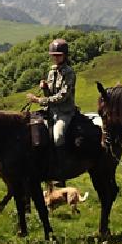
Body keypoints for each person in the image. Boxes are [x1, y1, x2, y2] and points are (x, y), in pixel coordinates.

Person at [26, 38, 76, 175]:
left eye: (58, 55)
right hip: (50, 111)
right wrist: (45, 88)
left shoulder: (69, 73)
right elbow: (50, 94)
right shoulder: (51, 72)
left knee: (58, 137)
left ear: (65, 56)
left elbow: (62, 96)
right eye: (53, 55)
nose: (55, 58)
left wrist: (38, 100)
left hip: (64, 112)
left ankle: (61, 168)